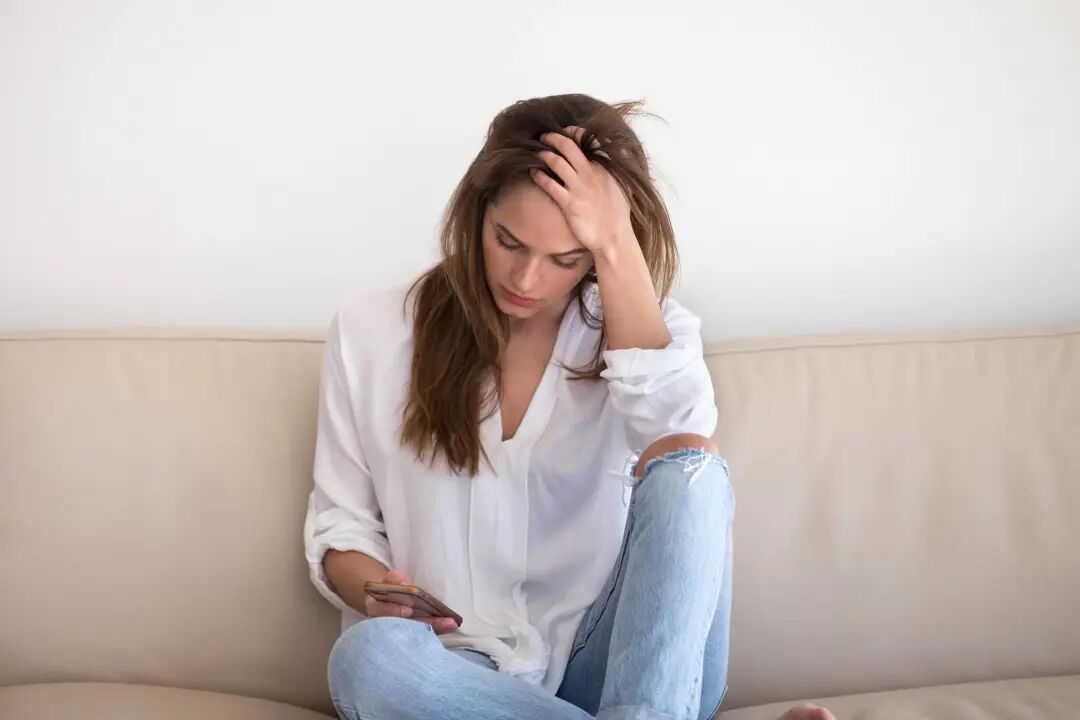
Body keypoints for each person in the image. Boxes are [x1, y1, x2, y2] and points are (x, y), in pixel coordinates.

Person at [303, 94, 835, 720]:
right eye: (508, 241)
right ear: (477, 212)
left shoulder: (647, 335)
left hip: (624, 666)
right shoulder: (373, 330)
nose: (526, 280)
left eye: (565, 258)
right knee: (368, 659)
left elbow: (681, 452)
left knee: (690, 464)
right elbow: (342, 526)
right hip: (462, 679)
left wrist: (615, 241)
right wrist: (375, 593)